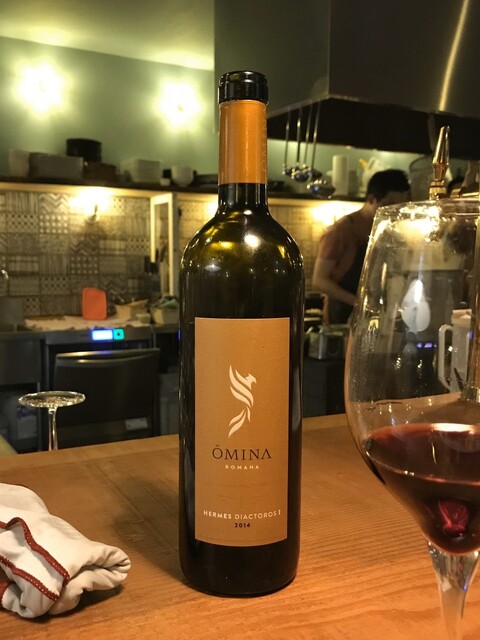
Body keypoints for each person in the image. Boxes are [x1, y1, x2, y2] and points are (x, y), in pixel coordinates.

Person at [312, 169, 410, 324]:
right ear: (371, 199)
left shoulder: (389, 230)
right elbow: (319, 280)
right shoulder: (341, 231)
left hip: (379, 314)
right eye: (389, 205)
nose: (395, 213)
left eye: (400, 207)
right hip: (342, 316)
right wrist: (360, 303)